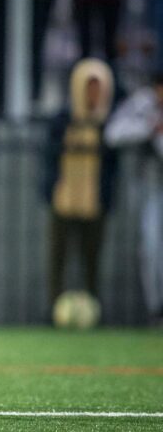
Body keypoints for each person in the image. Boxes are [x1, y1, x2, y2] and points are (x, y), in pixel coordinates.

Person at [43, 58, 118, 317]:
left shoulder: (110, 123)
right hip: (64, 197)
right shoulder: (62, 119)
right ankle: (53, 310)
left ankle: (94, 310)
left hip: (94, 200)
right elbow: (48, 156)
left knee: (92, 259)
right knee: (58, 258)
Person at [105, 73, 163, 324]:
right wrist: (150, 129)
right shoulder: (142, 103)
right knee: (151, 247)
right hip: (151, 187)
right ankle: (156, 308)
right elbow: (113, 133)